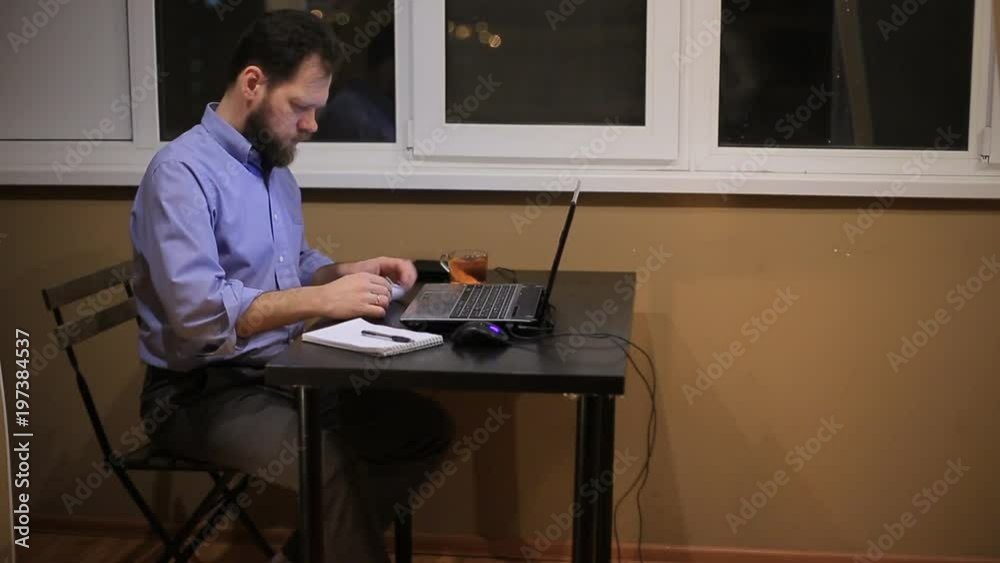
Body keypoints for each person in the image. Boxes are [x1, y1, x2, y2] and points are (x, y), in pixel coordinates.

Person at [129, 10, 454, 563]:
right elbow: (200, 315)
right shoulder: (180, 174)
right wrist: (321, 299)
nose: (312, 125)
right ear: (253, 83)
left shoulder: (272, 169)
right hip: (197, 394)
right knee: (328, 463)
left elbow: (292, 265)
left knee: (425, 428)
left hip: (277, 376)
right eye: (301, 107)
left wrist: (343, 272)